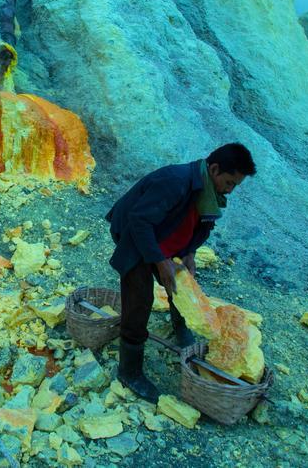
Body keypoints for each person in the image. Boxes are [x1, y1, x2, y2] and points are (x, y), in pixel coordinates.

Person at [104, 143, 256, 402]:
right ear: (214, 168)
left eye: (235, 186)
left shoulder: (209, 192)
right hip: (135, 234)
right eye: (229, 182)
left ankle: (180, 327)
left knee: (182, 284)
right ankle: (129, 371)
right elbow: (139, 221)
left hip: (164, 236)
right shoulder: (175, 182)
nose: (230, 191)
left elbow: (198, 226)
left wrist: (189, 253)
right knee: (139, 299)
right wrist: (160, 260)